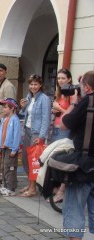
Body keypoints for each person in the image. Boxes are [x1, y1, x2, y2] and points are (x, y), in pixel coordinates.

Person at [60, 70, 94, 240]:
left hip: (84, 165)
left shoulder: (87, 102)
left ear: (87, 87)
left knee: (74, 210)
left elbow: (64, 125)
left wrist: (74, 103)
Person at [19, 74, 51, 197]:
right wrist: (22, 107)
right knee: (25, 158)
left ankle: (33, 188)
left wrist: (42, 136)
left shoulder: (44, 99)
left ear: (40, 85)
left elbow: (46, 119)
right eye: (31, 84)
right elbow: (24, 114)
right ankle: (29, 183)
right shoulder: (29, 97)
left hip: (36, 132)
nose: (33, 86)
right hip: (27, 129)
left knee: (33, 160)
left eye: (36, 84)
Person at [49, 68, 73, 203]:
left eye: (63, 78)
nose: (60, 81)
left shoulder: (72, 95)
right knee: (54, 157)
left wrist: (59, 108)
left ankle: (61, 190)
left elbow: (71, 115)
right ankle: (56, 186)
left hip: (65, 130)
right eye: (59, 78)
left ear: (69, 79)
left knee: (62, 158)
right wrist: (54, 110)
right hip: (56, 127)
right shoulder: (59, 94)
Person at [0, 98, 21, 197]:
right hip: (4, 147)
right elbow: (1, 134)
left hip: (10, 148)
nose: (3, 109)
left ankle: (11, 188)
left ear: (12, 108)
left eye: (5, 107)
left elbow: (17, 135)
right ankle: (5, 186)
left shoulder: (15, 120)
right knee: (4, 167)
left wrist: (15, 149)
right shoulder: (4, 119)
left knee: (10, 168)